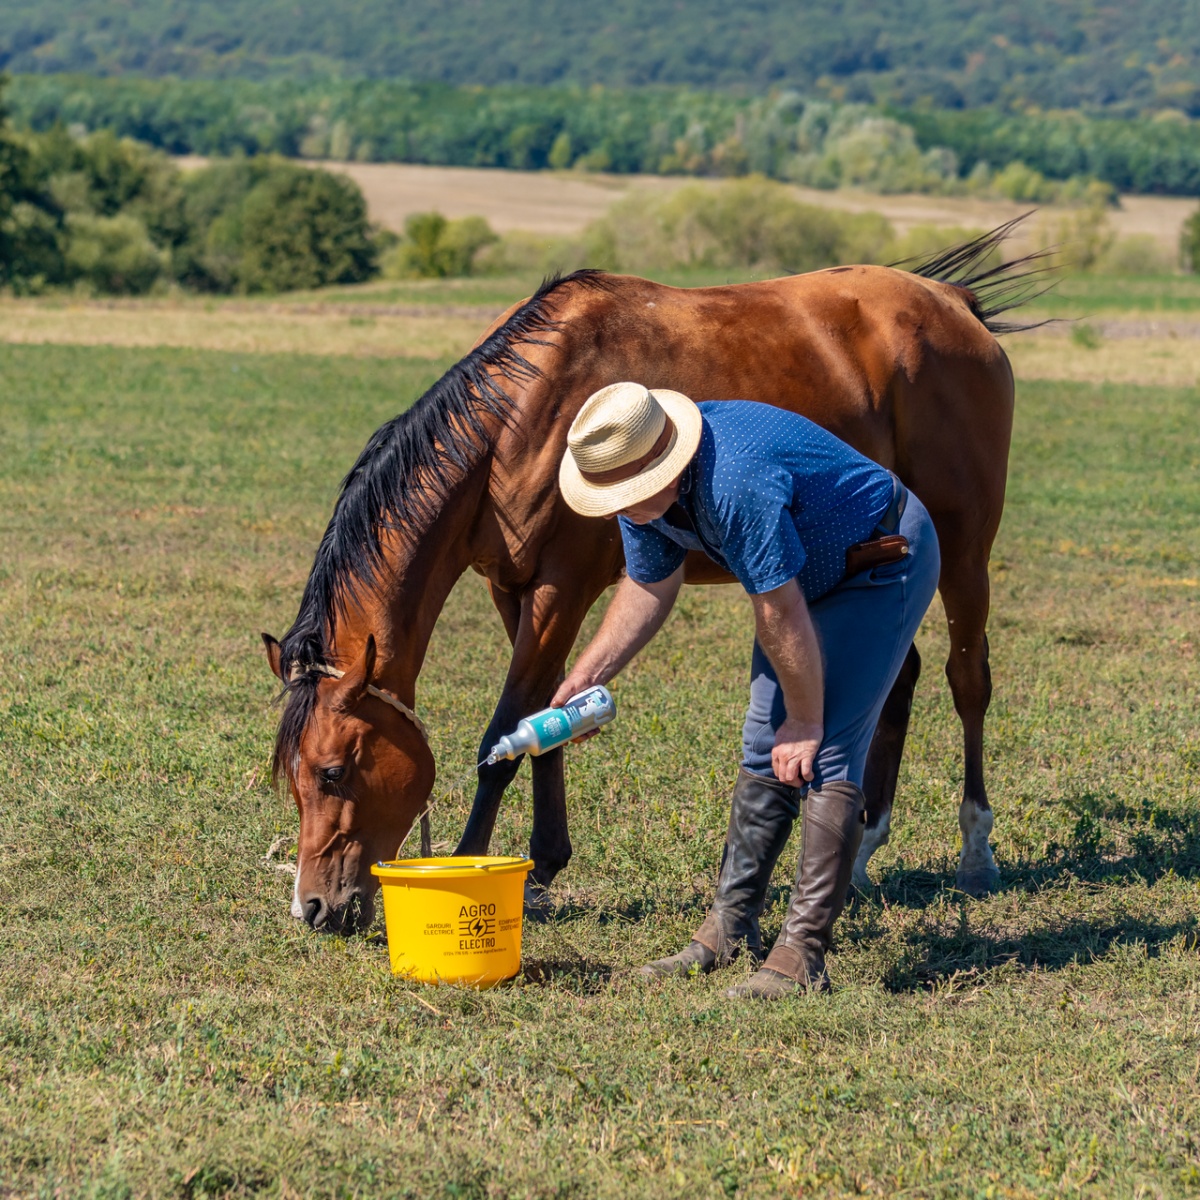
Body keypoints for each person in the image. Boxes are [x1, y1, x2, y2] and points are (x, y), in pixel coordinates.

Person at [551, 381, 940, 999]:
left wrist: (807, 718)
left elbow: (778, 610)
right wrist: (588, 675)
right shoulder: (646, 493)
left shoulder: (734, 478)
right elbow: (649, 585)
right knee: (764, 743)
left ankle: (802, 956)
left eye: (622, 495)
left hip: (879, 559)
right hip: (803, 578)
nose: (614, 509)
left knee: (827, 750)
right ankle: (729, 928)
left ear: (661, 463)